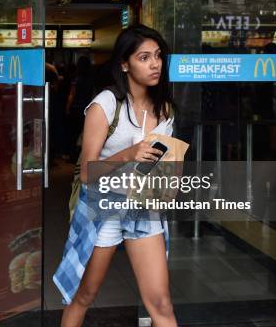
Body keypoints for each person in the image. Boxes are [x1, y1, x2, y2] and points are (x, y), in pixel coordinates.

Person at [54, 24, 178, 327]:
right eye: (144, 57)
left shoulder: (164, 109)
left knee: (160, 302)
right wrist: (129, 154)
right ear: (124, 63)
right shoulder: (105, 105)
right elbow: (87, 172)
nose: (155, 64)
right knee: (84, 295)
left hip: (141, 206)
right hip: (102, 209)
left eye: (158, 56)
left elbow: (166, 170)